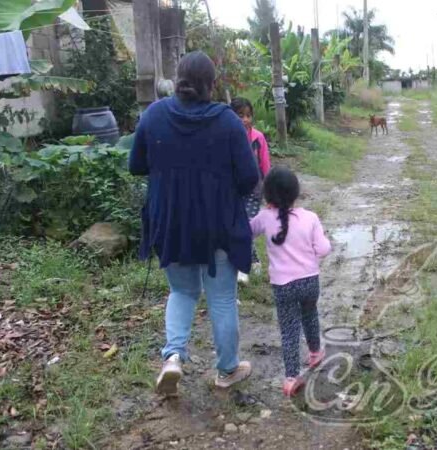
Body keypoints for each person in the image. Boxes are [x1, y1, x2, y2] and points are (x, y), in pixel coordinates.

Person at [129, 51, 260, 395]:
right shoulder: (228, 121)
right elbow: (249, 178)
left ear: (178, 79)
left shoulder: (154, 115)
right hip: (218, 225)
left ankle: (173, 356)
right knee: (221, 298)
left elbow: (136, 165)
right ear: (211, 84)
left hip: (171, 222)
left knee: (182, 291)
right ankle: (227, 370)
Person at [250, 167, 331, 397]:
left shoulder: (265, 217)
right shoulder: (310, 217)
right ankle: (315, 353)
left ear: (267, 195)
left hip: (283, 286)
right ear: (296, 193)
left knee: (289, 329)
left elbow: (246, 231)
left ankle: (291, 377)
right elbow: (324, 249)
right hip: (309, 282)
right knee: (310, 315)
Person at [230, 97, 271, 284]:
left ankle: (244, 266)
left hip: (254, 191)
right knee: (238, 227)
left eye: (248, 116)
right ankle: (253, 259)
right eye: (240, 116)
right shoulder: (227, 137)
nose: (245, 120)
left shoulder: (258, 138)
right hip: (233, 191)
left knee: (247, 226)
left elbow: (265, 165)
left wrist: (269, 191)